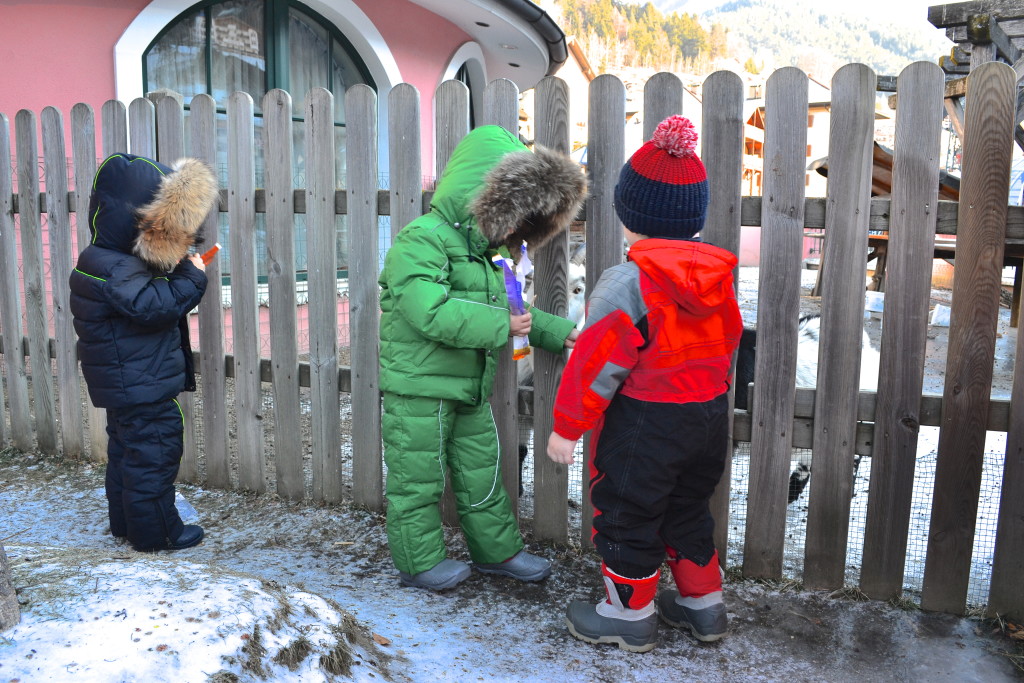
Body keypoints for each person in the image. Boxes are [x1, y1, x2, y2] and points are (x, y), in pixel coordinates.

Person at [547, 115, 743, 652]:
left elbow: (594, 363)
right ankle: (705, 607)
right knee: (686, 510)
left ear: (628, 213)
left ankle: (627, 615)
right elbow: (728, 344)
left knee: (629, 512)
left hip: (647, 423)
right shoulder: (718, 279)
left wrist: (567, 428)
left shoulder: (628, 282)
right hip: (707, 417)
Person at [378, 125, 587, 591]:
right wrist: (500, 327)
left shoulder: (488, 256)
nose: (517, 229)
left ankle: (498, 552)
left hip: (469, 384)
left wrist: (558, 332)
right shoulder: (422, 239)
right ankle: (418, 561)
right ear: (483, 198)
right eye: (513, 214)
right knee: (418, 479)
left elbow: (513, 312)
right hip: (419, 387)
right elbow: (426, 310)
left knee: (483, 473)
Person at [70, 153, 220, 552]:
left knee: (126, 455)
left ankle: (126, 523)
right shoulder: (119, 270)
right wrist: (192, 275)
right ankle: (158, 533)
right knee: (154, 455)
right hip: (143, 387)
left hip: (127, 385)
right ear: (134, 220)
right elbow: (155, 308)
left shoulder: (101, 260)